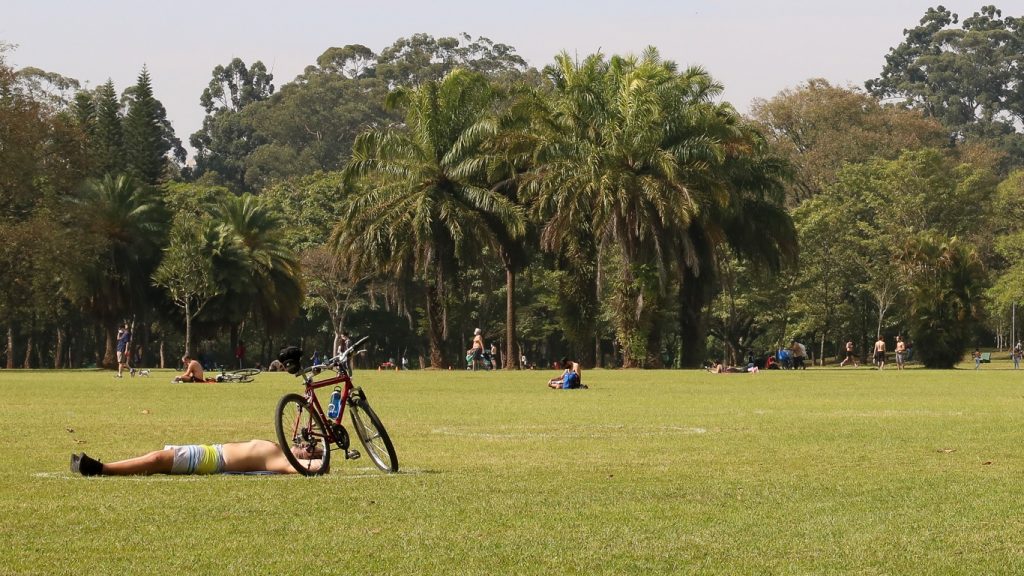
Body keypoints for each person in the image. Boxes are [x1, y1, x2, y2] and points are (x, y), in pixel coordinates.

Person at [70, 439, 325, 476]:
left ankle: (101, 468)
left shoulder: (282, 461)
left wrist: (319, 461)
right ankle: (102, 468)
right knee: (158, 458)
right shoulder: (279, 448)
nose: (302, 446)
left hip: (212, 460)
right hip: (209, 450)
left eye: (308, 448)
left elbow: (313, 468)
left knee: (158, 459)